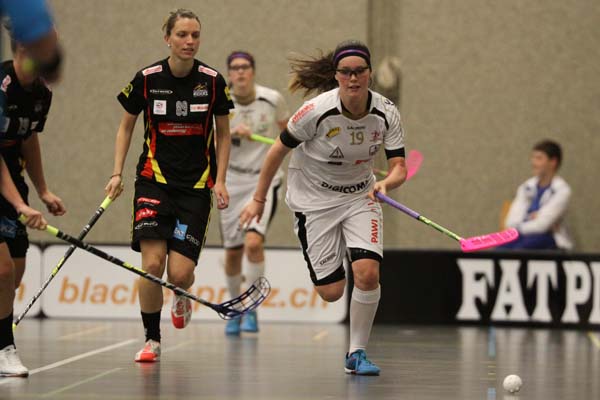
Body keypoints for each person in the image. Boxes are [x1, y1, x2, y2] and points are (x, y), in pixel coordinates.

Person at [240, 40, 407, 375]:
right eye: (346, 72)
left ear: (370, 74)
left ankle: (356, 353)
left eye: (359, 71)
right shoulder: (315, 111)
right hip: (314, 202)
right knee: (331, 292)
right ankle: (338, 249)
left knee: (367, 273)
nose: (353, 78)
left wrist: (386, 184)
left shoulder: (386, 112)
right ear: (336, 76)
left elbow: (399, 167)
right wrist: (259, 198)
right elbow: (276, 151)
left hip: (360, 197)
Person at [105, 9, 233, 363]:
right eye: (182, 35)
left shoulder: (212, 81)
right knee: (152, 265)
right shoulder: (147, 79)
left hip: (196, 187)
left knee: (179, 273)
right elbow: (125, 127)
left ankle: (182, 291)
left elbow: (223, 135)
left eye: (195, 35)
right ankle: (152, 339)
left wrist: (221, 180)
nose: (189, 41)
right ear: (168, 38)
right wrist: (116, 173)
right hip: (153, 181)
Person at [0, 0, 60, 378]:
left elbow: (29, 139)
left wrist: (42, 190)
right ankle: (5, 349)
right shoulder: (2, 87)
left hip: (13, 181)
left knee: (15, 271)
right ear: (24, 46)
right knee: (3, 271)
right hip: (4, 183)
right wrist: (20, 205)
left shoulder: (41, 92)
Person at [220, 51, 289, 336]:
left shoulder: (272, 99)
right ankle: (235, 308)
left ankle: (251, 308)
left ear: (253, 71)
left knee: (253, 244)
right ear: (229, 73)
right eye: (235, 68)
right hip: (231, 181)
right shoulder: (221, 102)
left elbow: (288, 135)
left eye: (245, 67)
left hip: (263, 180)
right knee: (233, 252)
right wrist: (230, 133)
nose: (240, 72)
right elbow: (208, 140)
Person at [501, 139, 573, 250]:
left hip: (550, 239)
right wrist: (535, 217)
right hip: (521, 235)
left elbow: (542, 225)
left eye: (539, 158)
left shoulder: (562, 191)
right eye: (533, 158)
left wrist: (525, 221)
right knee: (499, 250)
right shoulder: (526, 187)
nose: (533, 163)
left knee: (520, 250)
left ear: (553, 162)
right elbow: (510, 222)